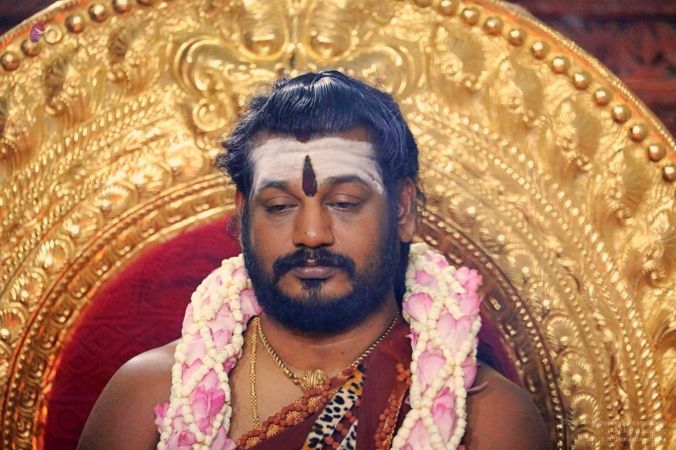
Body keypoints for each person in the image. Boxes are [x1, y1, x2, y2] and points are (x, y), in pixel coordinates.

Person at [78, 71, 550, 450]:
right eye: (279, 206)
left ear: (403, 210)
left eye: (344, 203)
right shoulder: (150, 394)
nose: (310, 234)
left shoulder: (486, 416)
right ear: (243, 215)